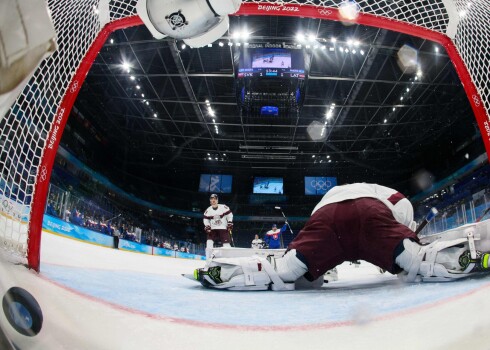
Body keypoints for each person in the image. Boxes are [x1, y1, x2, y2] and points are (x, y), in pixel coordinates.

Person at [194, 183, 490, 290]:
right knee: (416, 261)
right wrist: (408, 240)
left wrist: (316, 268)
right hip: (369, 213)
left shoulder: (329, 196)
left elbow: (317, 230)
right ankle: (468, 252)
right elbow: (401, 206)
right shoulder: (384, 192)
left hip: (326, 220)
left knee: (285, 273)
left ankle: (223, 273)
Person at [203, 194, 233, 259]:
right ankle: (208, 260)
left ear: (217, 200)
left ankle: (230, 259)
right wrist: (207, 226)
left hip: (223, 228)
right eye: (212, 199)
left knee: (226, 244)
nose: (213, 200)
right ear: (210, 201)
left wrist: (230, 222)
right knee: (209, 242)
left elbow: (230, 215)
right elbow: (205, 219)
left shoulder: (224, 207)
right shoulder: (208, 210)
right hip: (213, 229)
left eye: (215, 199)